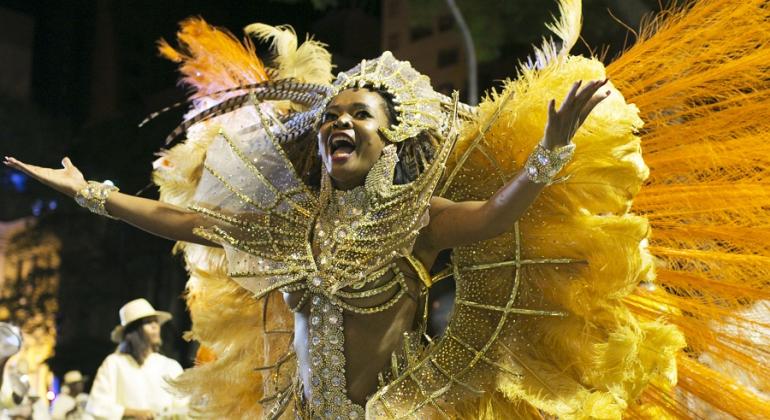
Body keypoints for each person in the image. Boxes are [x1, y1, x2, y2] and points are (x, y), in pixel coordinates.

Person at [5, 0, 770, 417]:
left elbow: (499, 215)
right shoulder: (291, 224)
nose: (342, 122)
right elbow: (187, 223)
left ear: (392, 138)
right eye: (333, 114)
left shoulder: (419, 218)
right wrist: (94, 196)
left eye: (362, 115)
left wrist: (550, 151)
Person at [85, 299, 187, 420]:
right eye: (148, 322)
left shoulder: (170, 366)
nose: (155, 326)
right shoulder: (114, 363)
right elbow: (96, 405)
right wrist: (132, 412)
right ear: (133, 332)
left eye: (156, 321)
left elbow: (183, 406)